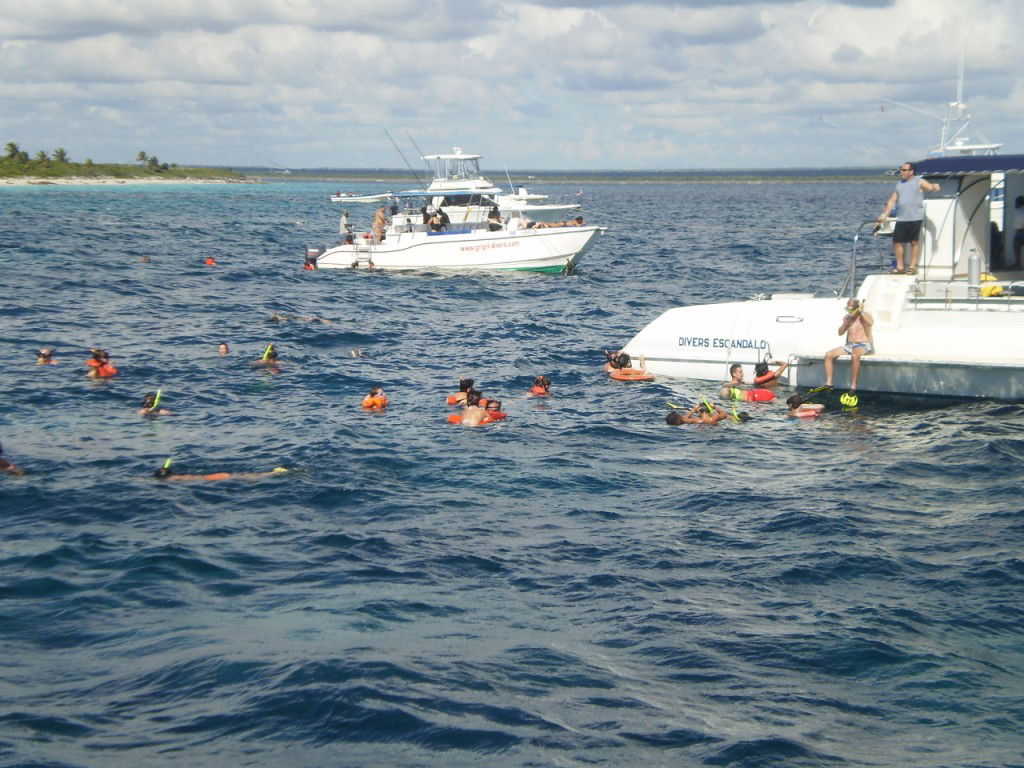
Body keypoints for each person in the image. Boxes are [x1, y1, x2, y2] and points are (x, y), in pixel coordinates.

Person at [876, 161, 941, 275]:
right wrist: (884, 216)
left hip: (915, 217)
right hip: (902, 218)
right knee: (896, 241)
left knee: (914, 242)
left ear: (911, 172)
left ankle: (912, 266)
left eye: (904, 170)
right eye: (901, 170)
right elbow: (892, 200)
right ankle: (900, 267)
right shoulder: (899, 184)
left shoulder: (919, 181)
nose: (901, 172)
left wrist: (935, 187)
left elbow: (930, 186)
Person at [824, 297, 874, 392]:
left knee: (855, 355)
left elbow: (870, 322)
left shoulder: (866, 315)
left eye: (851, 309)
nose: (849, 311)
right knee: (828, 354)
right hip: (849, 345)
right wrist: (845, 323)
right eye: (848, 309)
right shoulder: (849, 318)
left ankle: (853, 386)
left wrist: (861, 312)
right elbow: (840, 332)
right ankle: (829, 383)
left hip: (863, 345)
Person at [154, 464, 289, 482]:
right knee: (246, 477)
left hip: (213, 478)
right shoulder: (176, 477)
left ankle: (273, 473)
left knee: (247, 477)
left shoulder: (173, 479)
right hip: (212, 477)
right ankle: (273, 473)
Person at [1012, 195, 1024, 269]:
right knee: (1016, 249)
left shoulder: (1019, 211)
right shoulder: (1018, 211)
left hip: (1020, 232)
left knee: (1017, 250)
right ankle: (1018, 264)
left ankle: (1018, 264)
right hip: (1019, 232)